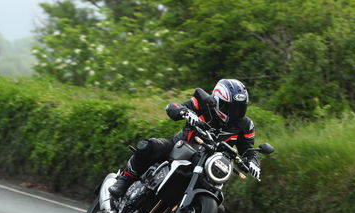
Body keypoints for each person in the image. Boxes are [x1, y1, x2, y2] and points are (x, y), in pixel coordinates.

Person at [109, 79, 261, 199]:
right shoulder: (204, 104)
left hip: (211, 163)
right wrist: (184, 112)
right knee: (150, 146)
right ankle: (125, 179)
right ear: (217, 100)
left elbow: (249, 150)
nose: (235, 113)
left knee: (218, 205)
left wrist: (253, 163)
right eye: (231, 108)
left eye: (240, 108)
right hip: (182, 145)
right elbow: (173, 106)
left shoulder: (246, 125)